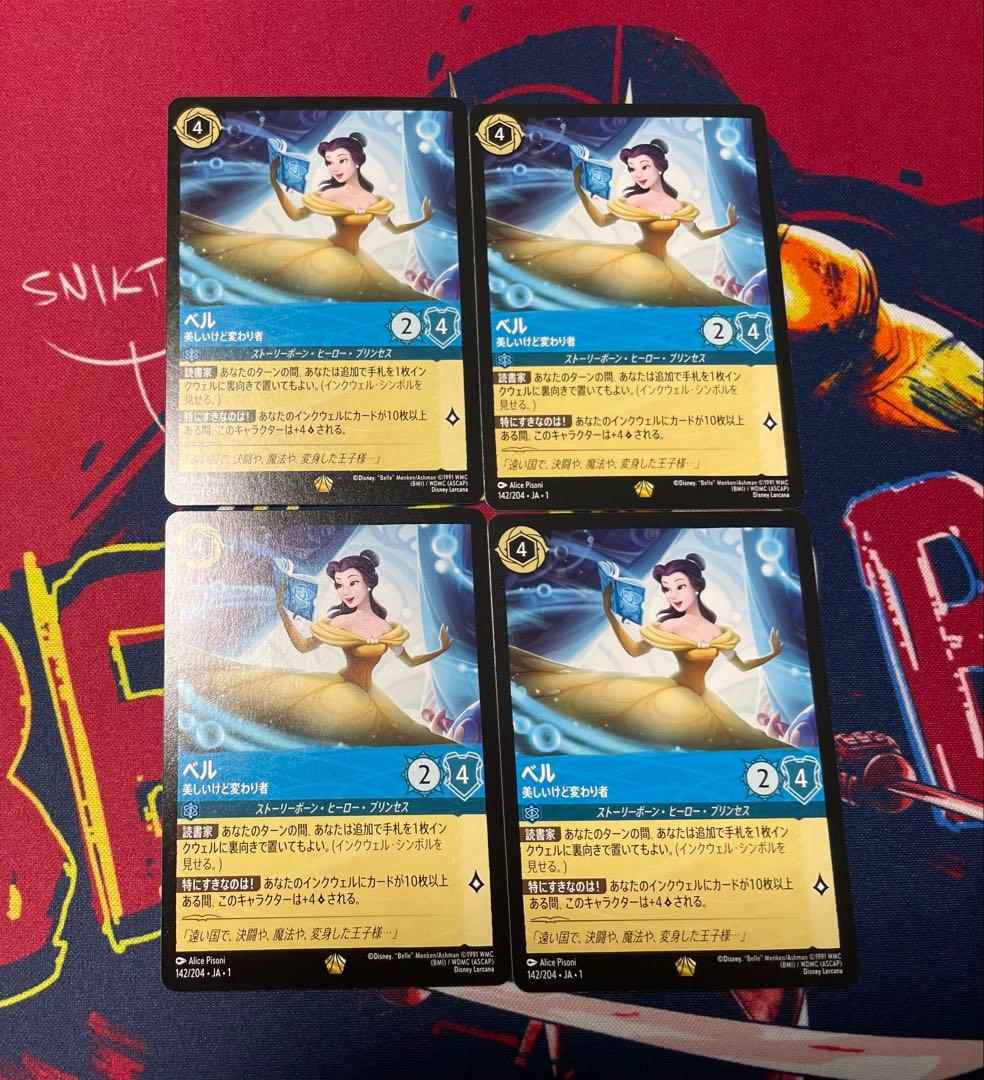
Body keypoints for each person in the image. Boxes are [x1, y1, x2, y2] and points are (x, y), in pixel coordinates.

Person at [510, 552, 788, 750]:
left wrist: (772, 654)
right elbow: (634, 651)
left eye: (679, 587)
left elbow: (741, 665)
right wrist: (611, 616)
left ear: (697, 587)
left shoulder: (717, 632)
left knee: (746, 742)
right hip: (676, 695)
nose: (673, 595)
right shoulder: (669, 626)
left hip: (705, 698)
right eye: (666, 589)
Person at [183, 549, 455, 746]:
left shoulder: (386, 628)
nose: (345, 591)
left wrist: (441, 650)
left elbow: (409, 661)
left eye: (353, 583)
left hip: (371, 692)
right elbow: (303, 646)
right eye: (340, 585)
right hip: (342, 691)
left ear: (369, 584)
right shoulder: (340, 622)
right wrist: (281, 610)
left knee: (413, 734)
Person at [487, 139, 742, 307]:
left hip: (667, 263)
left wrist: (729, 226)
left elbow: (700, 235)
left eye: (644, 167)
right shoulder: (634, 201)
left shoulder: (679, 207)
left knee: (704, 302)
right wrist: (580, 191)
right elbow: (601, 222)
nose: (637, 174)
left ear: (660, 168)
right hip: (640, 261)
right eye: (632, 169)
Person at [180, 132, 433, 300]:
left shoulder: (374, 200)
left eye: (341, 161)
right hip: (332, 256)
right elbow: (296, 216)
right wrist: (276, 185)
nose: (335, 168)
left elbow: (394, 229)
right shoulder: (329, 195)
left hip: (358, 258)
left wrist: (423, 219)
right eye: (330, 162)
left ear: (357, 162)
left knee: (398, 296)